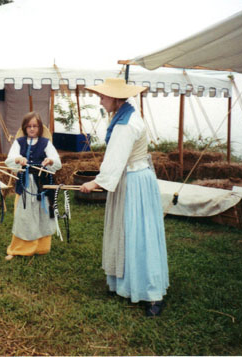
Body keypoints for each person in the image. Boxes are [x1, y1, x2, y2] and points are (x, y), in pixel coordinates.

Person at [79, 78, 169, 317]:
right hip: (136, 178)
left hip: (134, 181)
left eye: (103, 97)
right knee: (131, 231)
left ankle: (151, 294)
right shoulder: (124, 116)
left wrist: (95, 182)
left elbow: (116, 158)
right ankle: (128, 283)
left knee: (139, 233)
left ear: (116, 99)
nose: (100, 100)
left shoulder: (125, 124)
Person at [4, 112, 61, 261]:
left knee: (43, 215)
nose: (31, 129)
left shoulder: (45, 143)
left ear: (40, 127)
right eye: (29, 126)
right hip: (25, 185)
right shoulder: (19, 142)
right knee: (23, 216)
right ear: (24, 127)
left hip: (42, 185)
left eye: (35, 126)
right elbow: (9, 159)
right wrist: (18, 159)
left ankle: (41, 247)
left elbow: (56, 161)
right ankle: (18, 249)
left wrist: (49, 161)